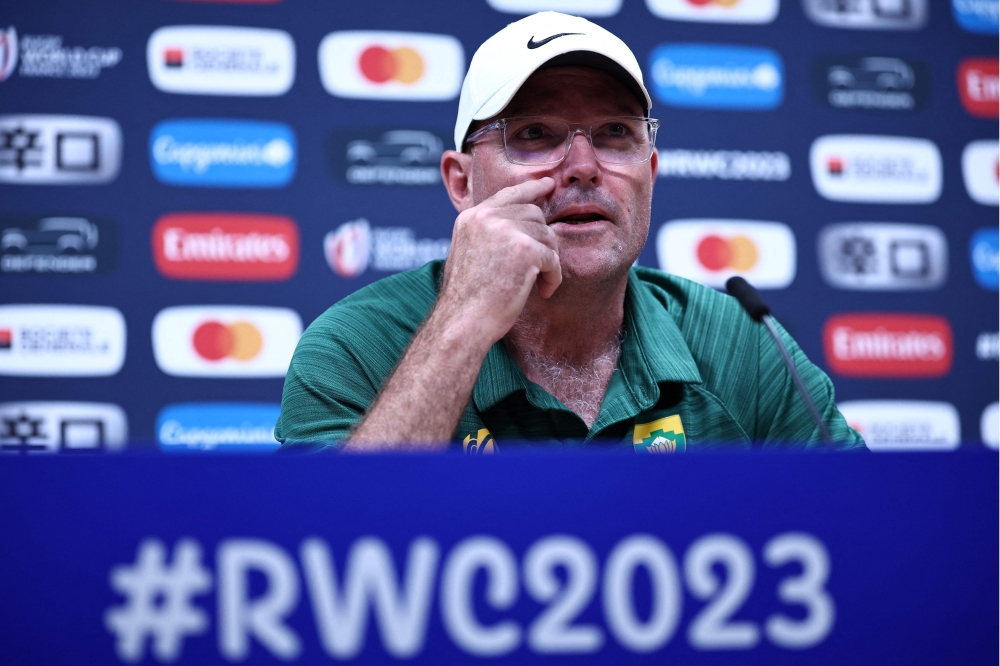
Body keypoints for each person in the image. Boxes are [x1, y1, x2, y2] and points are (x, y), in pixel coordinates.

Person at [275, 12, 863, 453]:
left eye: (614, 133)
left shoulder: (742, 348)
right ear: (461, 184)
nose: (583, 166)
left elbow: (868, 529)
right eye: (533, 133)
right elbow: (330, 555)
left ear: (650, 173)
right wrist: (461, 326)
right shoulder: (355, 346)